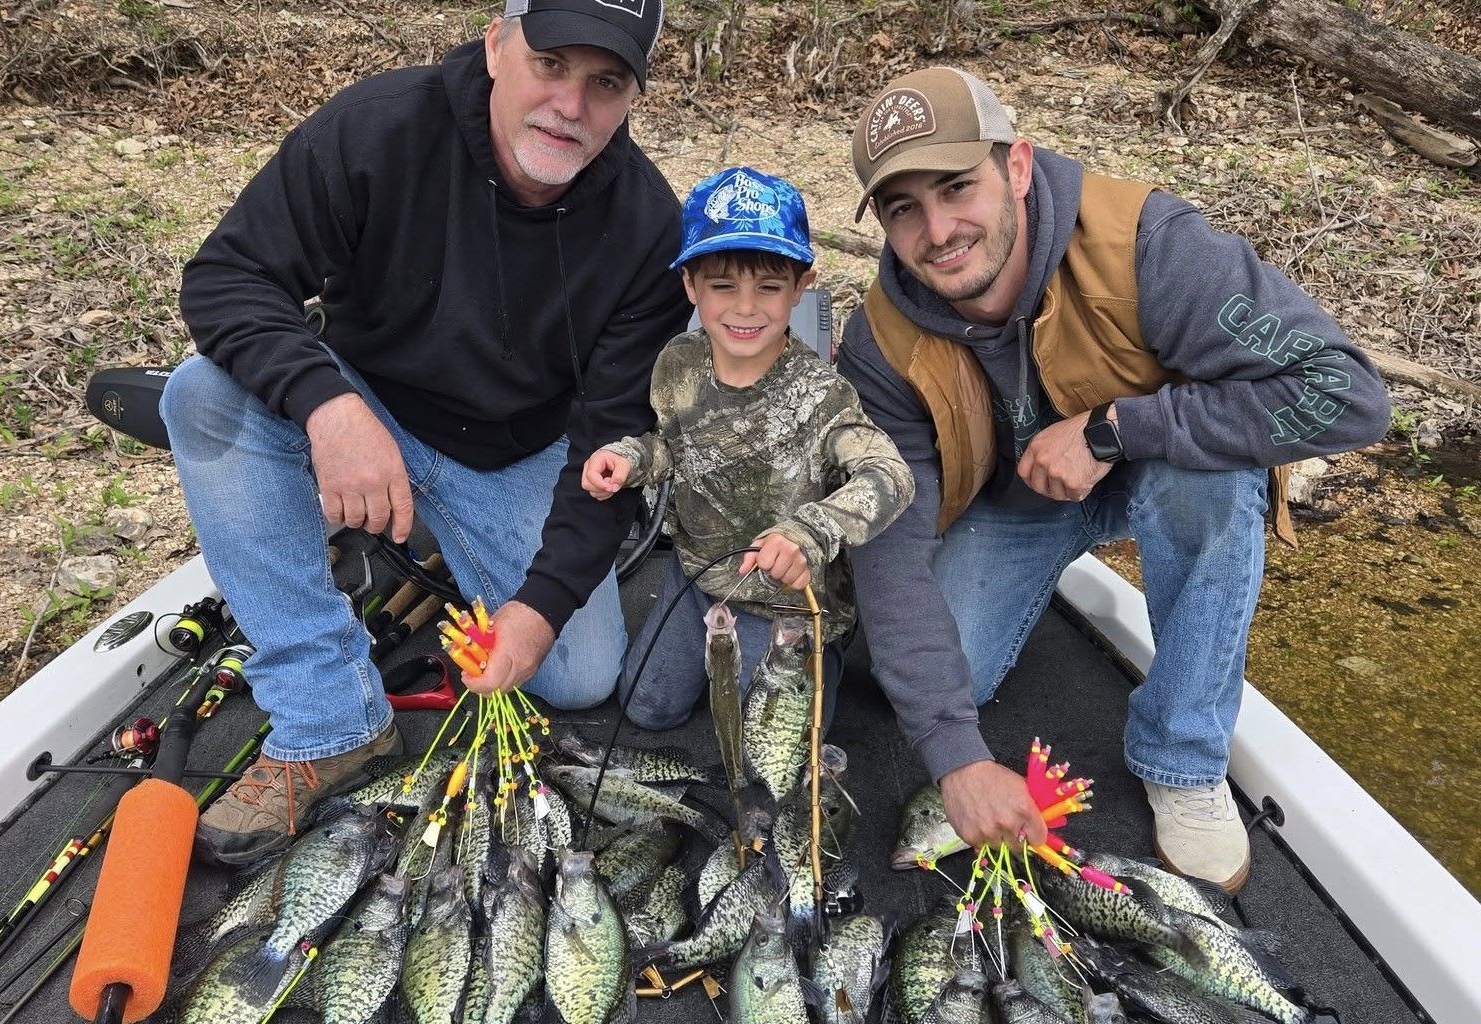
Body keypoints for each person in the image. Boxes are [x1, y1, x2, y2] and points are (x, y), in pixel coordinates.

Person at [161, 0, 692, 866]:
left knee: (578, 675)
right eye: (552, 66)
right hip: (367, 400)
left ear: (632, 98)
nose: (570, 105)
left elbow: (612, 447)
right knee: (203, 394)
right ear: (496, 45)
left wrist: (539, 606)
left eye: (605, 84)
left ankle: (437, 531)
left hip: (514, 451)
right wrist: (327, 406)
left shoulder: (646, 231)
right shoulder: (379, 129)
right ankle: (331, 718)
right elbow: (228, 277)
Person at [839, 67, 1391, 891]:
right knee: (901, 676)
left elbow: (1349, 396)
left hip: (1160, 471)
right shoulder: (879, 341)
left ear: (1017, 167)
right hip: (1017, 503)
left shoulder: (1152, 246)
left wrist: (1117, 429)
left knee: (1211, 480)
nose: (939, 229)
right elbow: (890, 544)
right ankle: (1047, 570)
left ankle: (1184, 758)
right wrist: (957, 757)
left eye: (958, 187)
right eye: (903, 208)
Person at [582, 166, 913, 729]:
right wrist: (633, 459)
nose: (745, 308)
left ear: (800, 285)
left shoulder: (822, 397)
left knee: (778, 759)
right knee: (645, 711)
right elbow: (675, 446)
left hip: (792, 610)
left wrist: (809, 532)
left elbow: (891, 476)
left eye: (768, 286)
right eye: (722, 286)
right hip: (698, 582)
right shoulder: (677, 365)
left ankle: (824, 655)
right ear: (690, 286)